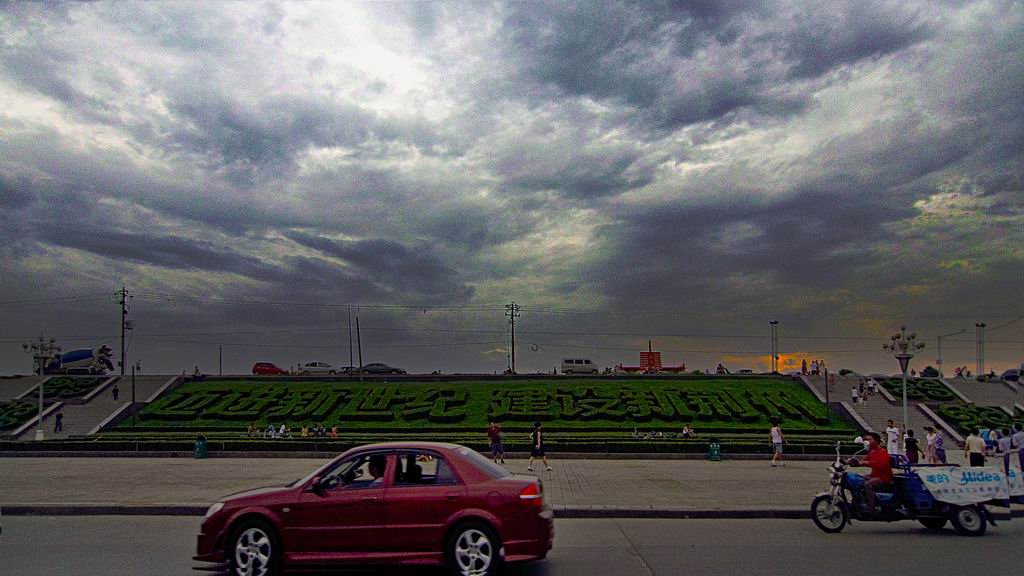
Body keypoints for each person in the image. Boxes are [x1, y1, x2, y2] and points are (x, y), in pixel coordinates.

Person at [847, 432, 892, 511]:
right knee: (859, 479)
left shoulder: (882, 451)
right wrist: (852, 462)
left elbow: (882, 464)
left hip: (883, 477)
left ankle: (872, 506)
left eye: (869, 439)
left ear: (876, 441)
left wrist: (866, 463)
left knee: (868, 485)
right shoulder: (872, 452)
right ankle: (859, 501)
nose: (867, 442)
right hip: (873, 475)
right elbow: (863, 462)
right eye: (865, 440)